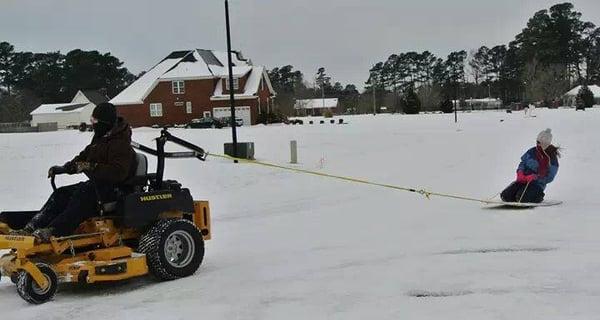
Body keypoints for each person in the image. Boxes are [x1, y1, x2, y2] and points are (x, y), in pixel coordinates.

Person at [10, 102, 136, 242]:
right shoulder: (100, 138)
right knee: (62, 193)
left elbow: (118, 173)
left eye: (94, 121)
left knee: (83, 194)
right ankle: (32, 226)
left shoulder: (121, 143)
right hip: (98, 185)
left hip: (117, 189)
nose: (92, 124)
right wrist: (65, 168)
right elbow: (83, 157)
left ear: (104, 123)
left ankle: (54, 231)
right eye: (91, 120)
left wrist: (91, 166)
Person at [501, 128, 560, 203]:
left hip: (536, 185)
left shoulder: (551, 158)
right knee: (506, 196)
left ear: (546, 144)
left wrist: (535, 177)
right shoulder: (531, 151)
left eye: (540, 143)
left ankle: (538, 196)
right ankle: (518, 192)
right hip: (522, 181)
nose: (538, 144)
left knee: (522, 198)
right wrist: (520, 172)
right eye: (537, 142)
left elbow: (550, 177)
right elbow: (523, 163)